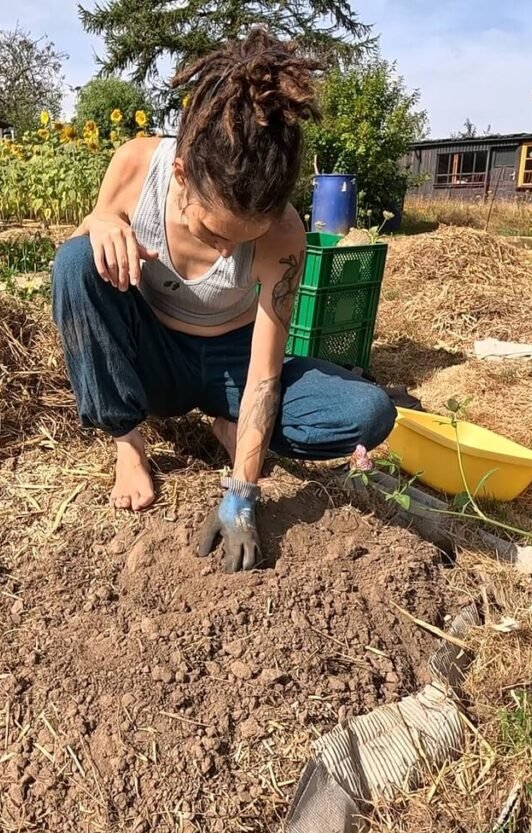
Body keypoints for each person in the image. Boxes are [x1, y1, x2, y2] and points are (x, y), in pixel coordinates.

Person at [51, 29, 396, 573]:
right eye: (217, 234)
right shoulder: (137, 168)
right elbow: (90, 257)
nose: (230, 249)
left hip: (234, 365)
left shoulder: (282, 234)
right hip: (157, 359)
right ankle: (130, 446)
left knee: (368, 412)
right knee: (74, 261)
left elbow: (264, 374)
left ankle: (223, 419)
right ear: (183, 177)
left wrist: (243, 491)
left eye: (245, 237)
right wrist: (98, 221)